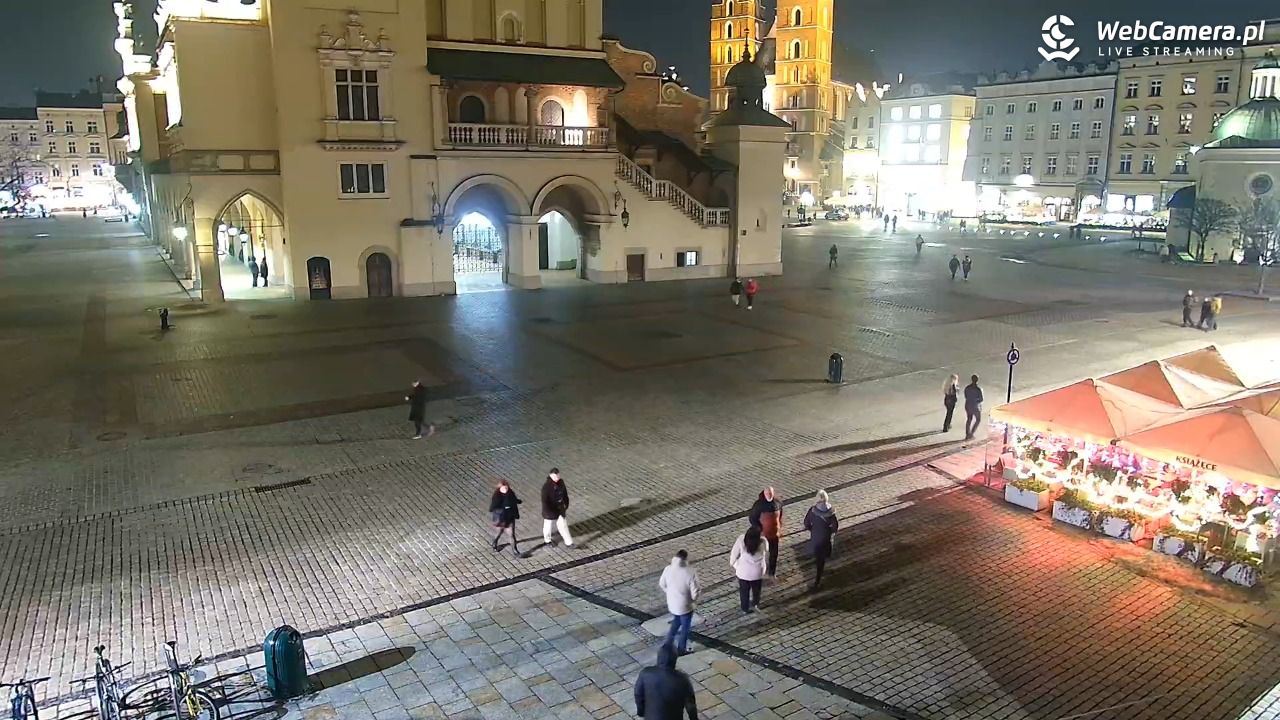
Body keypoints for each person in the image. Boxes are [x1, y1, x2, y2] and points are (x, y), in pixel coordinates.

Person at [633, 643, 697, 720]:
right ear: (674, 660)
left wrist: (641, 711)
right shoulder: (683, 679)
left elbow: (638, 694)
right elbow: (690, 706)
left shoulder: (645, 673)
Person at [658, 550, 700, 656]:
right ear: (685, 559)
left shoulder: (668, 569)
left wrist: (669, 592)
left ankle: (668, 644)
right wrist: (693, 600)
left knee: (676, 622)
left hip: (672, 604)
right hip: (685, 606)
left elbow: (662, 583)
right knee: (685, 628)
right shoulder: (690, 572)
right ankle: (681, 649)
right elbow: (695, 591)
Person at [803, 490, 838, 591]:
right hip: (826, 539)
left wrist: (813, 530)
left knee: (818, 558)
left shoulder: (812, 511)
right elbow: (835, 527)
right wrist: (829, 532)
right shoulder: (831, 512)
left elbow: (806, 524)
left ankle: (817, 582)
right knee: (822, 558)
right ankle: (819, 576)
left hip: (816, 538)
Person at [729, 526, 768, 613]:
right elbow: (767, 551)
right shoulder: (763, 542)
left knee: (744, 591)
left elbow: (734, 555)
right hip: (757, 572)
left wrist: (735, 565)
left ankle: (744, 608)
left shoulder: (741, 540)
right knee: (756, 590)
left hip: (743, 573)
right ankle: (755, 604)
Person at [748, 487, 782, 577]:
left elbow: (780, 516)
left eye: (770, 494)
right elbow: (752, 518)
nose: (769, 495)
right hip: (763, 535)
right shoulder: (758, 505)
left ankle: (772, 572)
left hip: (774, 534)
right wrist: (759, 529)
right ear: (764, 494)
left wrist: (779, 527)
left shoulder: (778, 503)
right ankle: (759, 571)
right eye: (767, 494)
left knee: (774, 554)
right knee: (761, 554)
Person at [540, 468, 574, 547]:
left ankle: (569, 543)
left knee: (563, 525)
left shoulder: (561, 482)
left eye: (558, 476)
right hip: (550, 511)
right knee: (548, 526)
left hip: (560, 509)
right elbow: (545, 502)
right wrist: (550, 511)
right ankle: (547, 540)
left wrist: (566, 504)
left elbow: (565, 494)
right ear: (550, 476)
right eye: (555, 476)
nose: (557, 478)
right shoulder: (546, 487)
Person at [488, 480, 523, 556]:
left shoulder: (510, 493)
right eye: (503, 488)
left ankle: (515, 550)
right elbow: (492, 508)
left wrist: (517, 501)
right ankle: (495, 542)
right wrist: (504, 508)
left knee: (511, 534)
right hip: (501, 519)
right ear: (499, 488)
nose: (505, 490)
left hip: (510, 517)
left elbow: (513, 500)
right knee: (499, 532)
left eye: (506, 488)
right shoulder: (497, 496)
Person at [964, 374, 984, 440]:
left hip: (968, 405)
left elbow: (966, 396)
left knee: (969, 419)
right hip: (975, 406)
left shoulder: (967, 387)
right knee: (978, 419)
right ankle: (971, 433)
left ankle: (967, 434)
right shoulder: (978, 389)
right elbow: (981, 399)